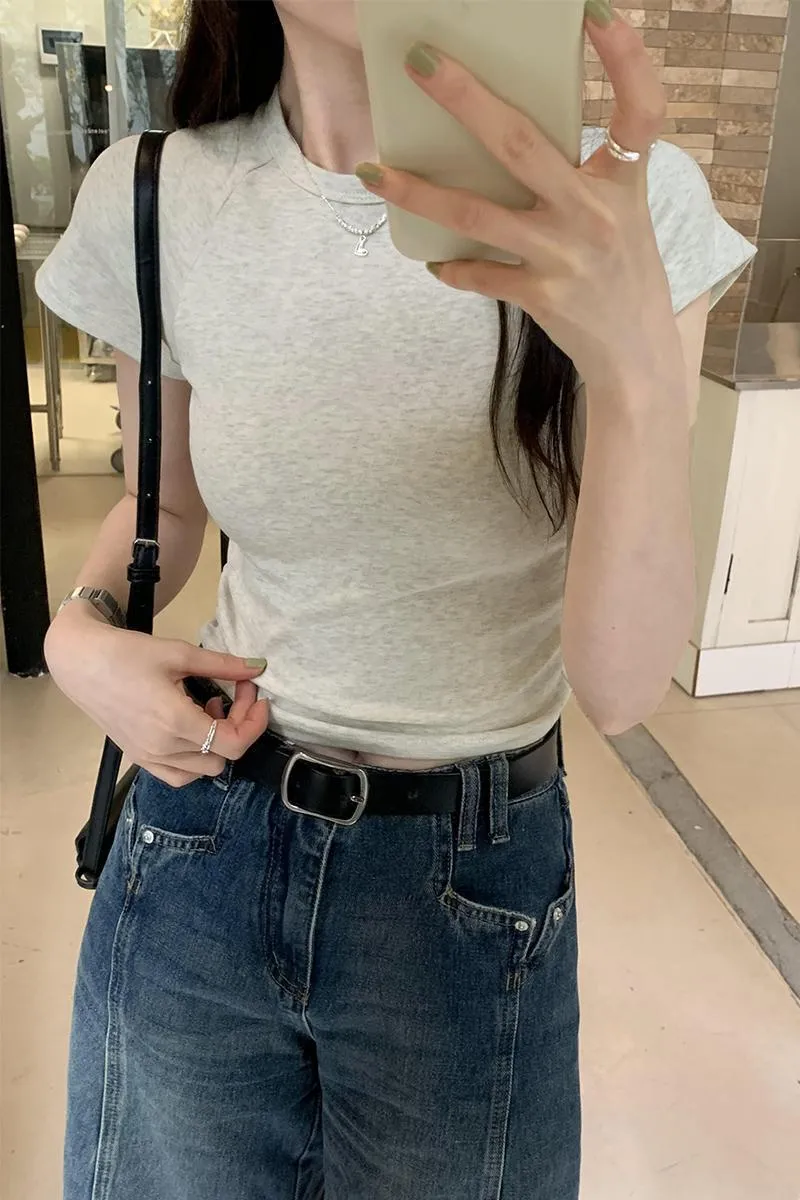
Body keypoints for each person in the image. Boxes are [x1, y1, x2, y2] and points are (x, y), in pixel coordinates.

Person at [36, 2, 756, 1197]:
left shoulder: (619, 205)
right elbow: (157, 508)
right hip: (199, 840)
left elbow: (623, 686)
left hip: (465, 882)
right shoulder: (153, 192)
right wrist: (78, 638)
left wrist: (629, 369)